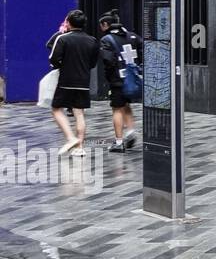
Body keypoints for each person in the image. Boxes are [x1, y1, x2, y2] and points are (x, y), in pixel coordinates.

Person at [46, 10, 102, 157]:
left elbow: (53, 59)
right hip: (83, 81)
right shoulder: (93, 40)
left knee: (56, 109)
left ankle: (71, 138)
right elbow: (92, 63)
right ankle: (80, 147)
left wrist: (62, 65)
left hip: (66, 81)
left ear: (68, 23)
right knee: (79, 113)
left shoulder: (63, 38)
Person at [98, 10, 143, 153]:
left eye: (101, 26)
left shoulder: (107, 39)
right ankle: (130, 132)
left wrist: (110, 77)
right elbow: (144, 50)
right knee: (126, 105)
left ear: (106, 24)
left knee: (117, 109)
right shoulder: (133, 36)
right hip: (132, 78)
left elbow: (108, 61)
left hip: (117, 80)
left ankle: (118, 142)